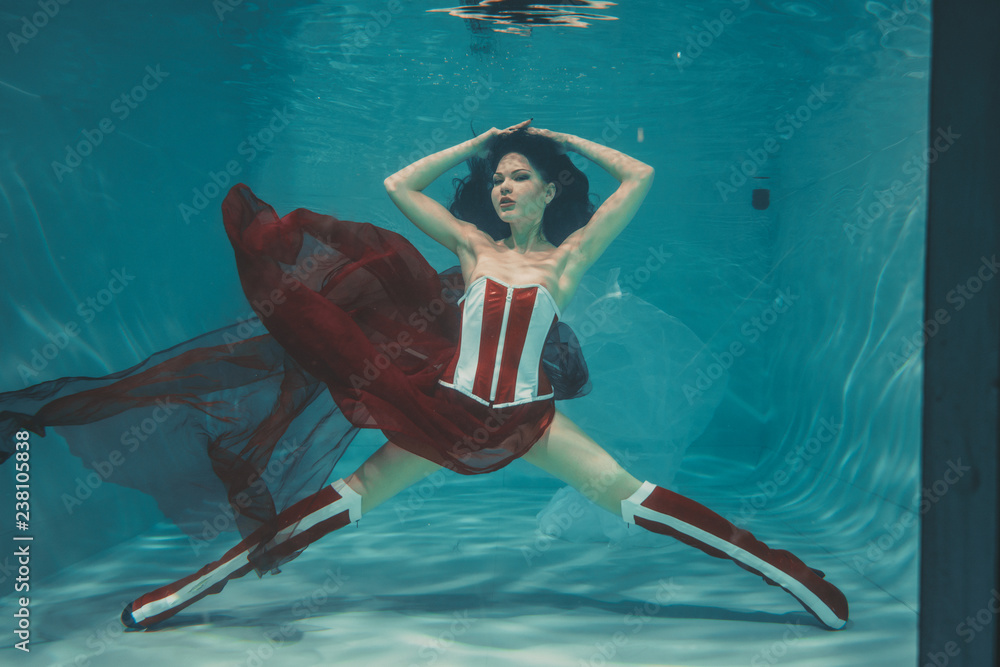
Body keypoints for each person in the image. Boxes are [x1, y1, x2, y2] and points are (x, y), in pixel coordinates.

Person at [9, 120, 849, 631]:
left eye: (522, 176)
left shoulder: (568, 260)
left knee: (630, 494)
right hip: (439, 412)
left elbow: (641, 178)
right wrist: (482, 143)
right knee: (341, 504)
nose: (506, 185)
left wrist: (551, 138)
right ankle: (178, 596)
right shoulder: (471, 248)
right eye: (500, 178)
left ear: (550, 188)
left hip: (527, 421)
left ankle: (796, 577)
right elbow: (395, 185)